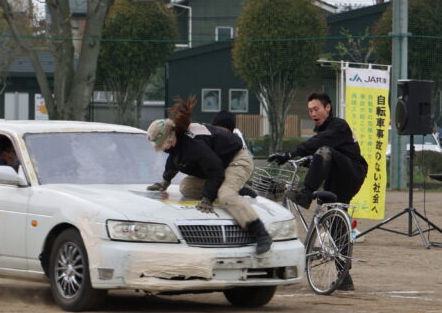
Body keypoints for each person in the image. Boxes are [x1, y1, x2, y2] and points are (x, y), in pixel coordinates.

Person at [146, 97, 272, 254]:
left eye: (164, 143)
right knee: (186, 187)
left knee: (225, 195)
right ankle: (236, 189)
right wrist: (165, 182)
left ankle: (261, 234)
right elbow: (174, 160)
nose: (164, 148)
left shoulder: (194, 144)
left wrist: (207, 199)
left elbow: (216, 171)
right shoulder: (177, 141)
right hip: (219, 164)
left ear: (171, 134)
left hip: (237, 160)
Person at [268, 92, 367, 290]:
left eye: (316, 109)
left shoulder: (338, 125)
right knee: (335, 224)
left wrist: (290, 154)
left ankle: (305, 194)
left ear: (328, 108)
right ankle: (344, 276)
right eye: (310, 110)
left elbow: (322, 145)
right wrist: (307, 159)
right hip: (336, 178)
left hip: (352, 173)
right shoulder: (326, 131)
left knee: (323, 150)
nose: (313, 113)